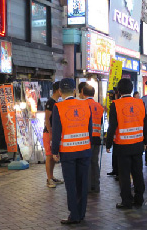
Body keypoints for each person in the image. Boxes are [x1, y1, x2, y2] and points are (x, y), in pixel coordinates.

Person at [52, 78, 92, 224]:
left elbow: (57, 132)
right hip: (84, 150)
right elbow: (90, 128)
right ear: (75, 91)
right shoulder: (85, 105)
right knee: (82, 183)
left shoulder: (59, 107)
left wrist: (54, 151)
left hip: (68, 152)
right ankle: (81, 214)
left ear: (60, 92)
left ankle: (74, 215)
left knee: (71, 184)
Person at [106, 78, 146, 209]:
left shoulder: (115, 104)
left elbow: (112, 126)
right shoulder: (140, 103)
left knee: (124, 175)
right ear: (132, 89)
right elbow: (145, 123)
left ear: (118, 91)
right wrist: (146, 142)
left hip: (122, 146)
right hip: (138, 143)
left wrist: (108, 144)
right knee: (138, 172)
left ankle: (126, 201)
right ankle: (139, 198)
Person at [83, 84, 104, 193]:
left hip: (87, 138)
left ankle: (87, 187)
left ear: (82, 93)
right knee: (95, 162)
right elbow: (100, 122)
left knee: (86, 162)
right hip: (97, 138)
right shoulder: (99, 106)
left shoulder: (83, 105)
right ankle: (96, 185)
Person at [43, 81, 64, 188]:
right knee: (49, 156)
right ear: (57, 90)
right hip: (48, 133)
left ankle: (52, 176)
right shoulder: (50, 102)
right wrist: (50, 132)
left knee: (53, 155)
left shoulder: (56, 102)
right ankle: (49, 179)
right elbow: (47, 119)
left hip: (53, 133)